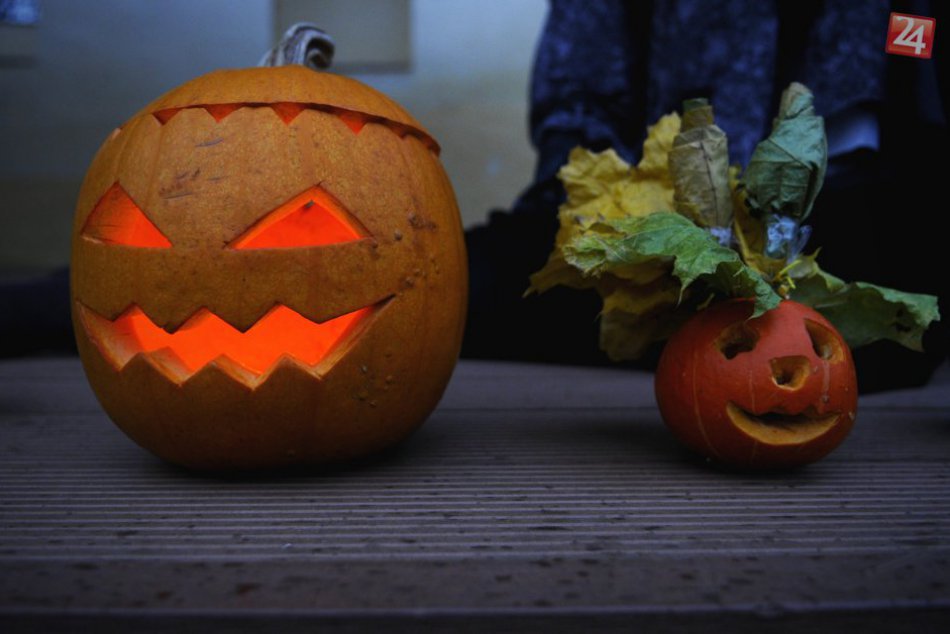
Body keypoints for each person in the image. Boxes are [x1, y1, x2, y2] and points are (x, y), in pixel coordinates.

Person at [461, 0, 949, 391]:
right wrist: (612, 204)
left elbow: (913, 40)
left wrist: (909, 72)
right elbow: (578, 89)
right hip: (651, 215)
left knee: (885, 330)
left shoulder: (904, 29)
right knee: (464, 289)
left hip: (843, 203)